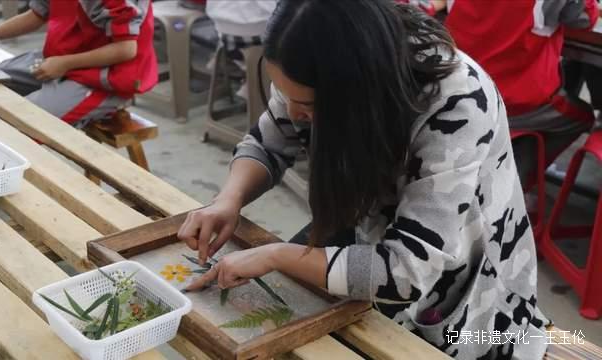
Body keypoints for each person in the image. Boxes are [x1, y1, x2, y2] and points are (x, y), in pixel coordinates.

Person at [178, 1, 550, 358]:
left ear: (356, 87)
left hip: (464, 294)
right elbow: (268, 142)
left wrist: (278, 255)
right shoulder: (312, 64)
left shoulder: (457, 103)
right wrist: (229, 198)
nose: (293, 112)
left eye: (307, 105)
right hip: (371, 232)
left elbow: (406, 272)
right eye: (287, 95)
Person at [445, 0, 600, 186]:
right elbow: (584, 19)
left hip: (454, 87)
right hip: (515, 100)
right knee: (580, 118)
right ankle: (510, 188)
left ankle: (501, 177)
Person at [0, 0, 157, 129]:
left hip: (108, 77)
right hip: (67, 56)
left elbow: (125, 49)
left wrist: (65, 63)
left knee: (25, 121)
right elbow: (36, 15)